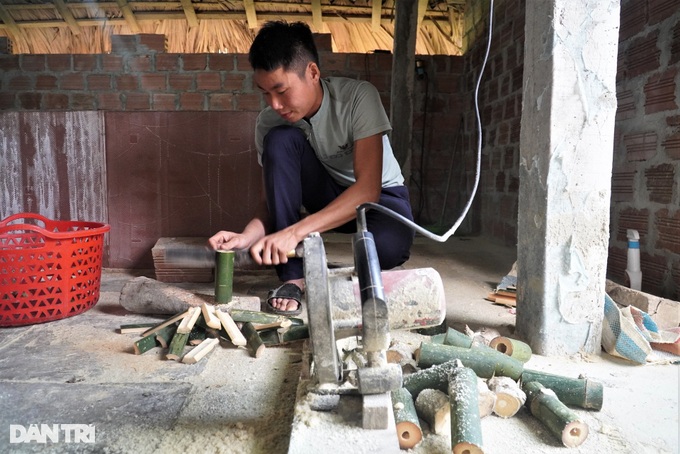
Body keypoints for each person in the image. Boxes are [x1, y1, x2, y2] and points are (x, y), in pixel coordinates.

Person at [209, 21, 414, 315]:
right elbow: (270, 203)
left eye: (281, 90)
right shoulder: (269, 122)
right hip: (325, 196)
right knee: (279, 140)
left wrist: (294, 234)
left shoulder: (359, 98)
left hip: (381, 199)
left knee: (387, 251)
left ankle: (320, 264)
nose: (275, 104)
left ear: (313, 73)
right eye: (265, 93)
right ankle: (294, 276)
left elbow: (368, 189)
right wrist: (246, 237)